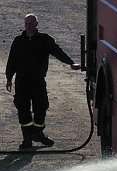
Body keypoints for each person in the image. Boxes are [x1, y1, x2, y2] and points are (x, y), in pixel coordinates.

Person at [5, 13, 81, 149]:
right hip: (22, 81)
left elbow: (58, 52)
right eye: (26, 24)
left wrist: (70, 62)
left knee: (41, 106)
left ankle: (38, 133)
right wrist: (9, 78)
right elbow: (11, 61)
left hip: (38, 80)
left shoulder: (44, 40)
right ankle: (27, 138)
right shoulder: (18, 41)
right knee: (23, 109)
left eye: (31, 24)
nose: (28, 26)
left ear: (36, 25)